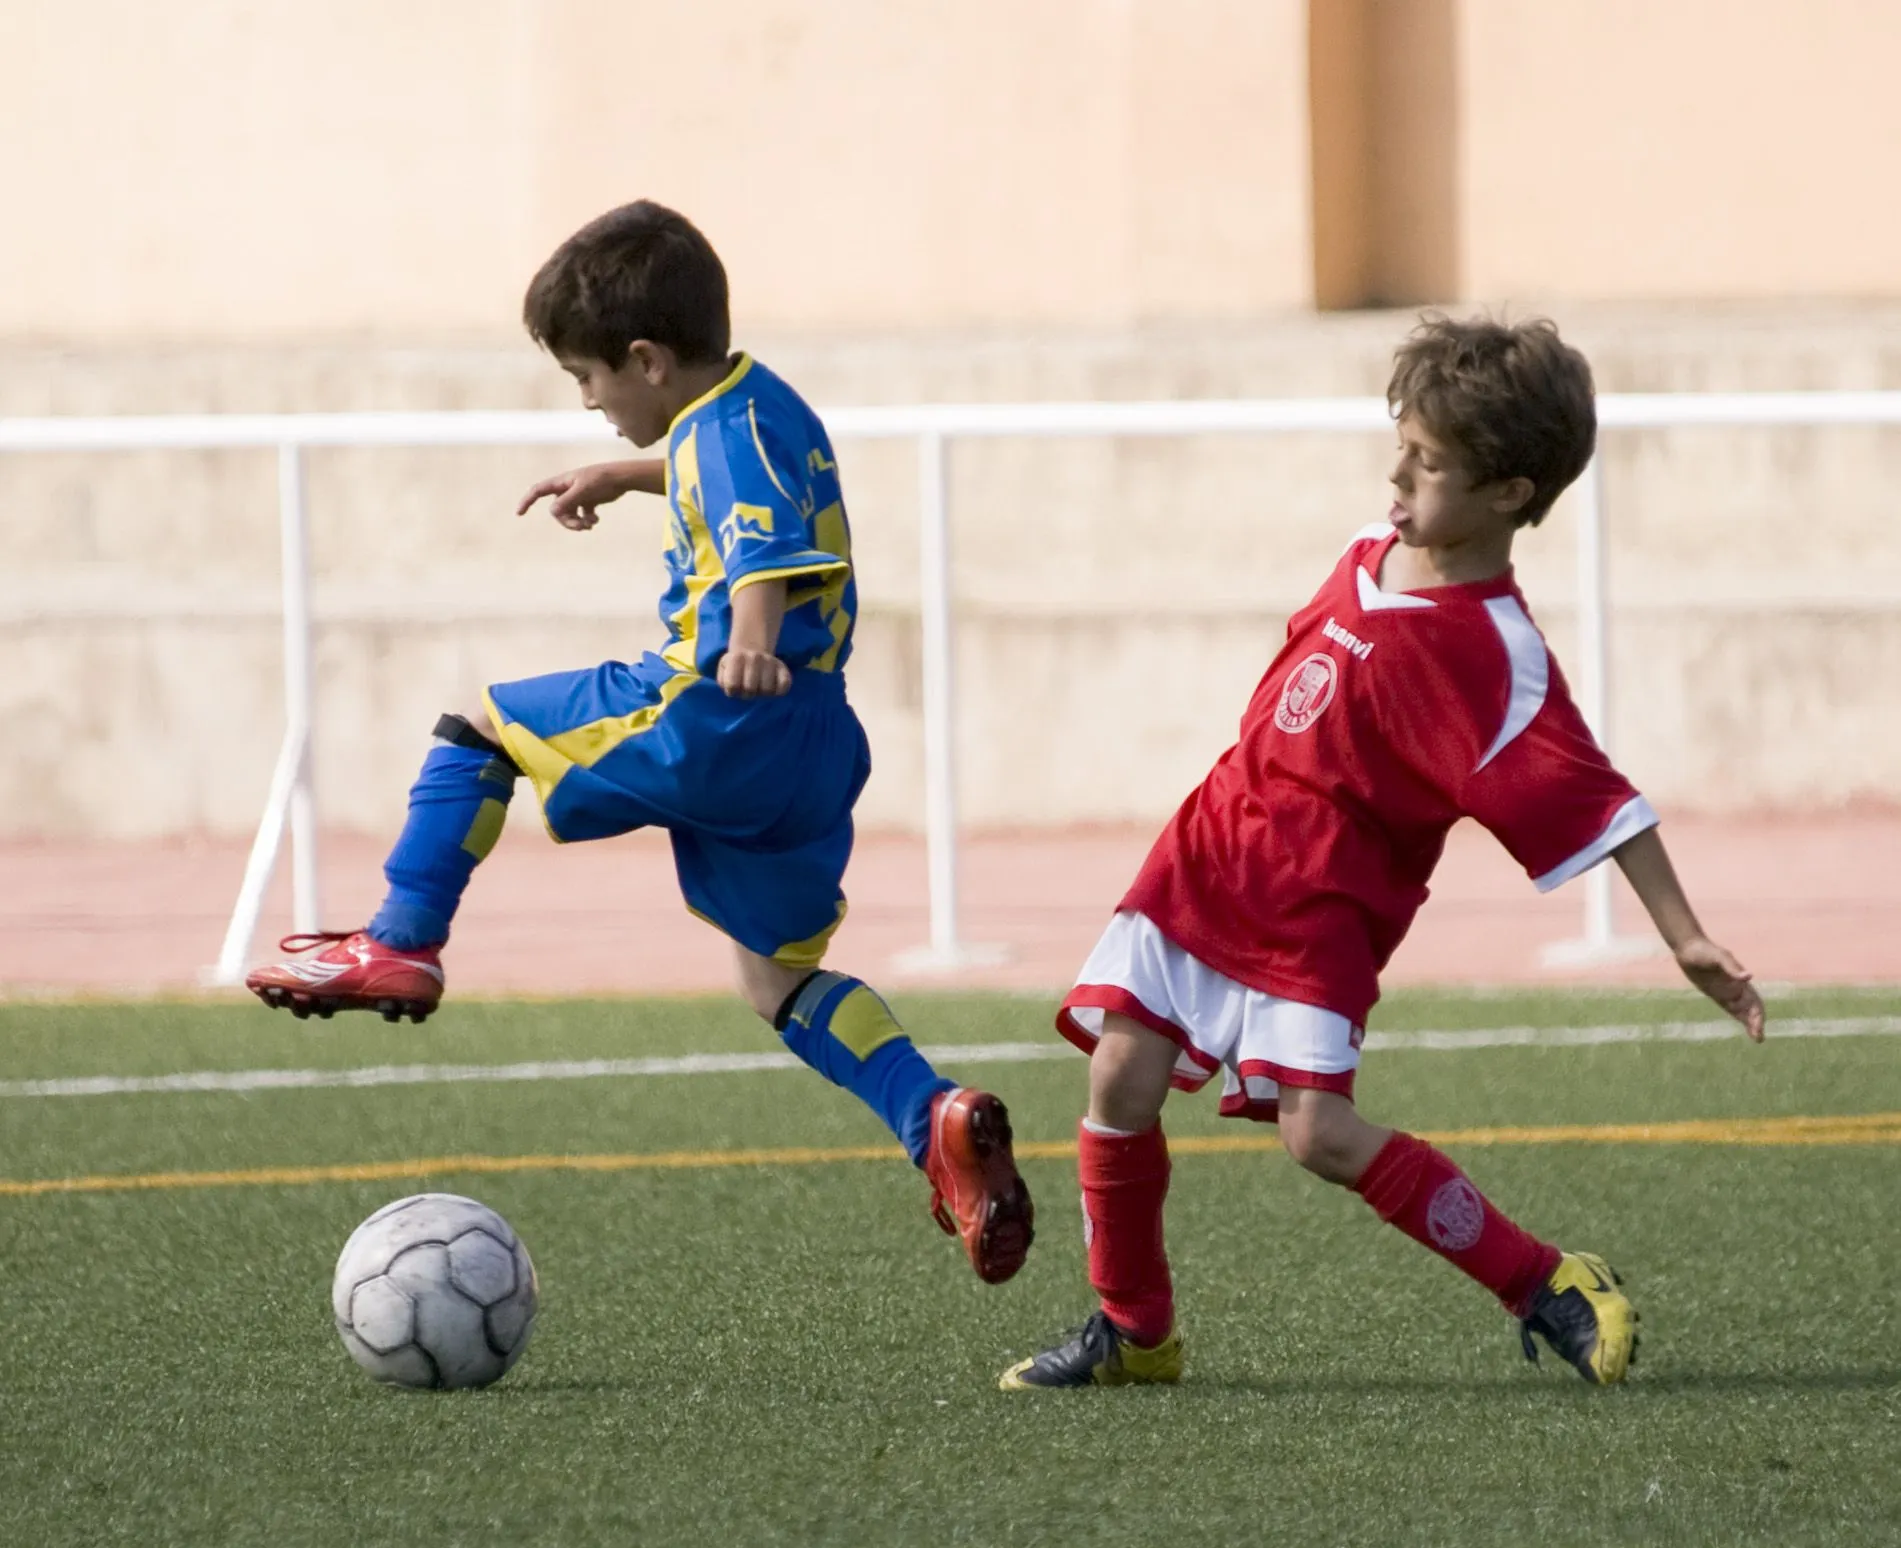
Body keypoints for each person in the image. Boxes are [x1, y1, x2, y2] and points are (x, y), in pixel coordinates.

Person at [246, 201, 1034, 1285]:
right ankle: (933, 1115)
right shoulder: (759, 404)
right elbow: (742, 485)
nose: (589, 401)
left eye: (589, 380)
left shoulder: (719, 434)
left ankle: (402, 939)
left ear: (648, 361)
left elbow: (759, 545)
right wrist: (623, 474)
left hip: (717, 709)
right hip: (812, 748)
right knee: (778, 980)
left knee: (479, 723)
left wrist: (748, 641)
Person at [1000, 313, 1766, 1390]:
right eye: (1399, 446)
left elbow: (1597, 797)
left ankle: (1544, 1279)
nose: (1395, 473)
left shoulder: (1496, 659)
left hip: (1321, 912)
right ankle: (1135, 1331)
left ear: (1506, 492)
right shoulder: (1363, 554)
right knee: (1116, 1071)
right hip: (1208, 857)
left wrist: (1682, 934)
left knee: (1317, 1133)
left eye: (1428, 461)